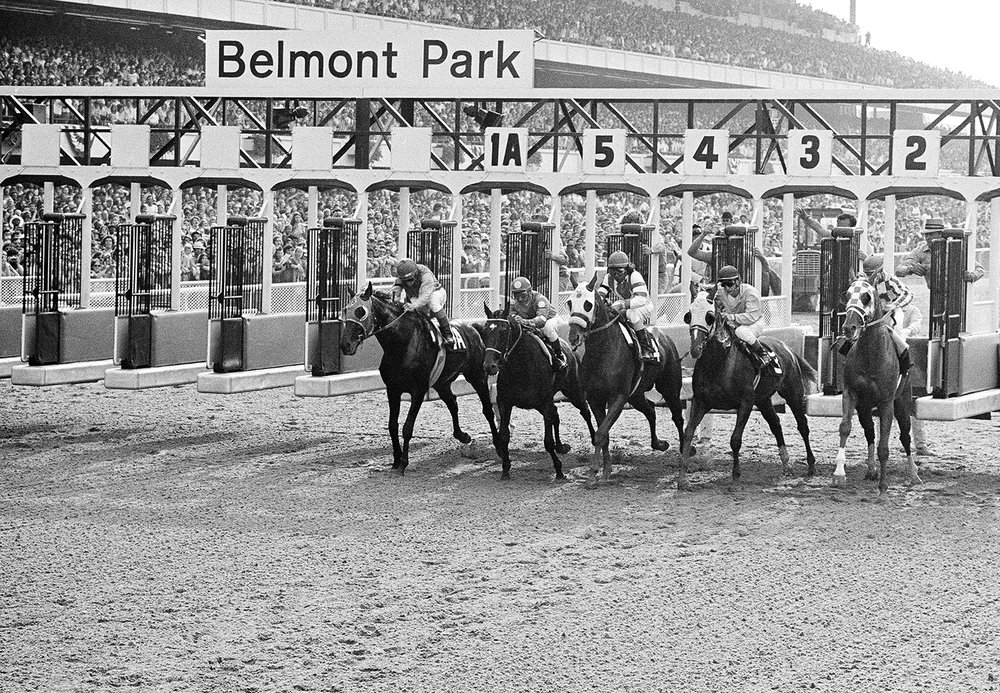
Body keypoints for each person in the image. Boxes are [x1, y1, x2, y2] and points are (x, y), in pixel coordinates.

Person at [714, 265, 782, 374]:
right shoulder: (721, 292)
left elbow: (752, 317)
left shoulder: (751, 292)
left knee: (741, 332)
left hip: (754, 323)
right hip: (734, 323)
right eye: (723, 284)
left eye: (729, 284)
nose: (726, 288)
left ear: (738, 281)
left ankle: (763, 355)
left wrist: (732, 317)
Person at [860, 254, 913, 376]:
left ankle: (904, 366)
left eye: (872, 273)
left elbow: (908, 294)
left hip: (891, 313)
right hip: (872, 315)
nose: (869, 277)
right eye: (867, 274)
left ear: (880, 271)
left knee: (897, 329)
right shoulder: (863, 281)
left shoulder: (890, 280)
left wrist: (894, 305)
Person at [598, 251, 656, 360]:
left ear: (626, 269)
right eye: (612, 271)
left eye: (619, 271)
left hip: (643, 305)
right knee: (610, 310)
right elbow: (601, 293)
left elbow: (641, 299)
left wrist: (622, 305)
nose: (616, 276)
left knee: (631, 314)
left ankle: (646, 347)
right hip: (627, 302)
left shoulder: (635, 276)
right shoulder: (608, 277)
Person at [895, 218, 985, 286]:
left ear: (941, 234)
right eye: (926, 234)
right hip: (936, 295)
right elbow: (899, 270)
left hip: (956, 292)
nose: (928, 237)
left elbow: (980, 270)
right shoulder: (920, 251)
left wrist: (971, 276)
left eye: (931, 234)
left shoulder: (955, 249)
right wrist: (910, 269)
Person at [392, 257, 455, 348]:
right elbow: (395, 291)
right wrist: (394, 300)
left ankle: (448, 333)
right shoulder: (401, 276)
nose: (408, 283)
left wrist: (414, 305)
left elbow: (425, 296)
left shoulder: (425, 275)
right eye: (405, 281)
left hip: (434, 292)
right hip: (416, 296)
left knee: (432, 302)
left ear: (415, 272)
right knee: (405, 308)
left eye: (410, 279)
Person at [508, 276, 566, 371]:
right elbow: (511, 315)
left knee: (547, 329)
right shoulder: (513, 303)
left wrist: (524, 321)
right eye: (516, 296)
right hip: (531, 322)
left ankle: (559, 355)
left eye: (523, 295)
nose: (520, 299)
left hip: (550, 319)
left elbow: (542, 320)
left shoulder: (540, 300)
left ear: (530, 292)